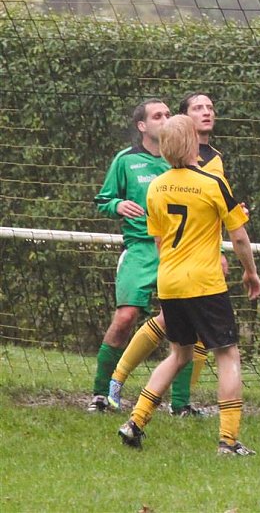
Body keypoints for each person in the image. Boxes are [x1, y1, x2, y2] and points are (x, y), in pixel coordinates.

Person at [118, 114, 260, 455]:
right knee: (227, 354)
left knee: (178, 353)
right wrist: (250, 272)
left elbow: (158, 241)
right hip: (205, 283)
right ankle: (228, 441)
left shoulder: (156, 187)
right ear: (194, 142)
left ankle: (135, 421)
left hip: (169, 282)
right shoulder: (212, 183)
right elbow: (239, 237)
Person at [107, 92, 230, 415]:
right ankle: (117, 380)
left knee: (191, 340)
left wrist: (218, 243)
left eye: (210, 107)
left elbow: (212, 208)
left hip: (198, 258)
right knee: (176, 332)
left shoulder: (213, 158)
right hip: (180, 261)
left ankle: (177, 404)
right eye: (197, 108)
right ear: (184, 119)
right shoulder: (172, 164)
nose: (206, 113)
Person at [88, 99, 172, 412]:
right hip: (140, 249)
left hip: (176, 251)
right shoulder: (125, 161)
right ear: (142, 126)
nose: (165, 119)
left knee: (180, 321)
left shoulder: (182, 160)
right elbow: (103, 200)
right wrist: (117, 205)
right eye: (157, 115)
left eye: (168, 114)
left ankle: (179, 403)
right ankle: (101, 393)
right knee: (125, 317)